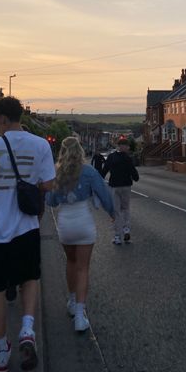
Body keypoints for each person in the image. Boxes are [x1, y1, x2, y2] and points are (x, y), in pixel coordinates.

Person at [0, 96, 55, 372]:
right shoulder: (41, 145)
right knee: (29, 278)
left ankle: (1, 351)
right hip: (26, 226)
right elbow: (48, 183)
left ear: (4, 119)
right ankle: (28, 330)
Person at [46, 137, 114, 331]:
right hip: (84, 222)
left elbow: (51, 201)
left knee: (71, 262)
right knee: (83, 268)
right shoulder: (90, 172)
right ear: (80, 151)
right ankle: (80, 316)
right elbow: (103, 193)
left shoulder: (57, 173)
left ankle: (72, 301)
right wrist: (112, 213)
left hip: (65, 224)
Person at [102, 139, 139, 244]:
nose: (126, 148)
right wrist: (135, 177)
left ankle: (117, 236)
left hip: (115, 186)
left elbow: (104, 170)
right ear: (125, 147)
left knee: (117, 211)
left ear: (118, 146)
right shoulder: (128, 158)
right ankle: (126, 229)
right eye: (126, 146)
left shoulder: (111, 157)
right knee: (126, 209)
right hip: (126, 186)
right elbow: (134, 174)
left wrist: (99, 180)